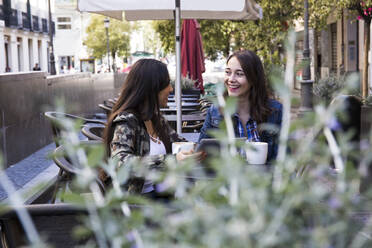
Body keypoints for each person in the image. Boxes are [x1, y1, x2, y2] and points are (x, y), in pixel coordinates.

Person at [103, 58, 198, 194]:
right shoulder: (127, 121)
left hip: (162, 193)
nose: (171, 89)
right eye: (167, 85)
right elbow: (121, 162)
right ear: (152, 88)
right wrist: (170, 160)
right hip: (135, 203)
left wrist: (197, 149)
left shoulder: (156, 119)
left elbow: (179, 142)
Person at [198, 50, 283, 163]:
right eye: (228, 72)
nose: (231, 79)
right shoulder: (215, 111)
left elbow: (283, 158)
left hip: (265, 179)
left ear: (253, 79)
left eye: (239, 74)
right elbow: (200, 153)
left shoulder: (275, 111)